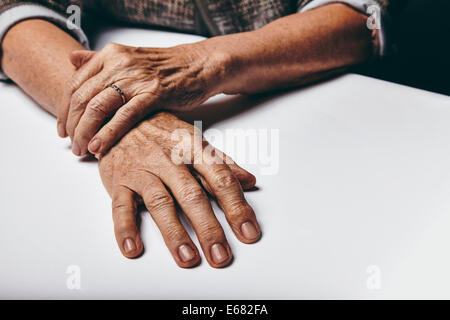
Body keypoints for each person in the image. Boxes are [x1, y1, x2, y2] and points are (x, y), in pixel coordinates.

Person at [0, 0, 396, 268]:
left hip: (343, 126)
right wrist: (125, 116)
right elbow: (14, 9)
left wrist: (203, 63)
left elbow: (357, 20)